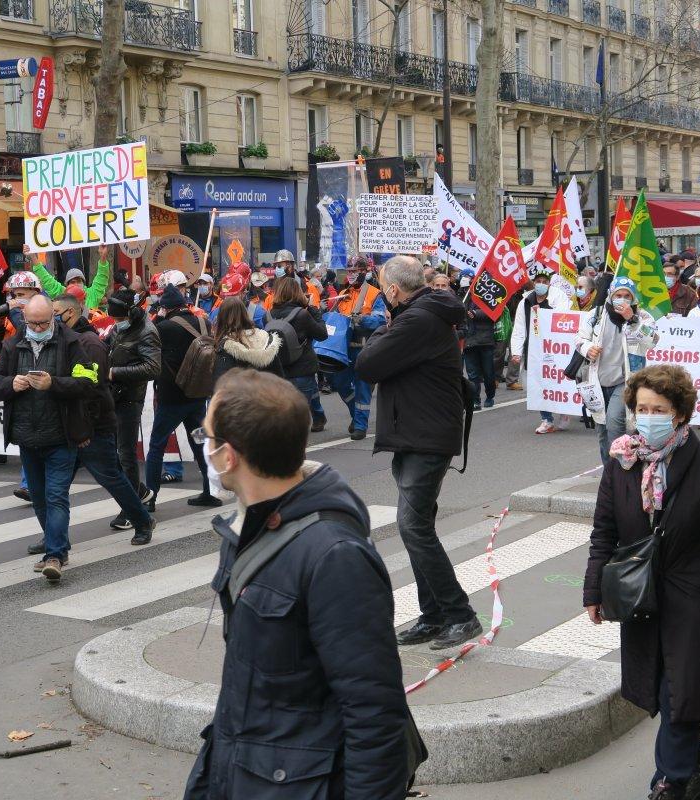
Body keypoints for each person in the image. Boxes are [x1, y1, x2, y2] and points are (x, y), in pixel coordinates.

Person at [183, 369, 420, 799]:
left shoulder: (334, 556)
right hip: (250, 768)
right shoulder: (250, 525)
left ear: (228, 456)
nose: (204, 447)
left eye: (207, 436)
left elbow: (374, 712)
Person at [583, 365, 700, 800]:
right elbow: (603, 531)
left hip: (696, 596)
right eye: (641, 408)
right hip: (639, 596)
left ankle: (671, 781)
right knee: (663, 691)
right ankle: (694, 765)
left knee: (682, 691)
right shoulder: (622, 462)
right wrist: (593, 592)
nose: (648, 416)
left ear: (679, 413)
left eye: (658, 409)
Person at [356, 256, 481, 650]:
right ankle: (433, 617)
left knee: (414, 528)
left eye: (381, 288)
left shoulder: (416, 319)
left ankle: (460, 615)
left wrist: (381, 329)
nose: (381, 296)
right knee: (417, 528)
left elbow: (366, 364)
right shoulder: (422, 313)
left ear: (393, 290)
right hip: (416, 432)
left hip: (426, 435)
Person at [0, 296, 106, 579]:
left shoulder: (72, 343)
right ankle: (57, 545)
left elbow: (88, 383)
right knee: (39, 499)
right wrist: (10, 384)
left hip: (61, 437)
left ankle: (54, 555)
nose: (37, 328)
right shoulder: (14, 345)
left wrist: (55, 384)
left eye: (42, 322)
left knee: (56, 496)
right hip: (28, 438)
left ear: (54, 318)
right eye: (32, 323)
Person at [50, 290, 156, 547]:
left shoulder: (89, 344)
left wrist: (87, 429)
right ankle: (52, 538)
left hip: (94, 427)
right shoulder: (61, 340)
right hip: (69, 427)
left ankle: (141, 521)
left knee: (113, 477)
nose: (51, 322)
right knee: (56, 487)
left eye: (55, 315)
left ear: (71, 313)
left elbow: (96, 390)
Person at [144, 283, 223, 510]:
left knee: (157, 445)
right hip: (198, 395)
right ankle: (209, 491)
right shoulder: (203, 322)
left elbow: (148, 334)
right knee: (199, 443)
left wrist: (158, 317)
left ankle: (151, 500)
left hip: (172, 397)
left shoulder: (165, 326)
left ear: (166, 308)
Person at [576, 277, 660, 464]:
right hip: (596, 381)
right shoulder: (596, 315)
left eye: (626, 296)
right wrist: (587, 348)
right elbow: (580, 338)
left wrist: (632, 319)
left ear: (633, 298)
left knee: (614, 424)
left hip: (626, 380)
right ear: (610, 296)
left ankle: (621, 471)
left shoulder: (643, 317)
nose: (622, 299)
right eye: (618, 295)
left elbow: (652, 341)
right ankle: (610, 474)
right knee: (601, 430)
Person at [104, 288, 161, 531]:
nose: (117, 323)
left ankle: (131, 507)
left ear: (132, 311)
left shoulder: (148, 331)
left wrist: (114, 372)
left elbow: (153, 368)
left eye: (120, 318)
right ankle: (141, 492)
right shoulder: (117, 329)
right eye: (114, 320)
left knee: (125, 454)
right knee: (114, 454)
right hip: (113, 396)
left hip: (131, 399)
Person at [328, 257, 386, 440]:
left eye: (355, 271)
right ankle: (356, 414)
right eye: (349, 271)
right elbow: (335, 317)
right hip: (343, 348)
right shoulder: (343, 292)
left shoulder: (375, 294)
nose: (351, 275)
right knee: (341, 384)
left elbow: (380, 320)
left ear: (364, 271)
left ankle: (360, 425)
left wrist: (361, 319)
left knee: (363, 387)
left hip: (364, 348)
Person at [510, 267, 572, 434]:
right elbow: (519, 328)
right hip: (534, 350)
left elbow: (564, 318)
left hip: (555, 348)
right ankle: (546, 419)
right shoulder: (525, 302)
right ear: (533, 282)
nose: (541, 284)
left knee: (556, 382)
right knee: (538, 385)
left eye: (545, 282)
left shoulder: (558, 297)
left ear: (549, 284)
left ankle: (563, 411)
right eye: (538, 281)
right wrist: (516, 351)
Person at [267, 276, 328, 431]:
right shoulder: (303, 314)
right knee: (298, 415)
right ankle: (294, 447)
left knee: (286, 409)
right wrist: (315, 311)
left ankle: (319, 418)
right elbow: (322, 334)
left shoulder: (267, 316)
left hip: (279, 370)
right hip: (303, 369)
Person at [212, 298, 282, 384]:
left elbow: (222, 384)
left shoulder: (225, 346)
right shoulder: (265, 338)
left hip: (243, 395)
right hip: (267, 393)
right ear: (245, 313)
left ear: (222, 317)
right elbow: (279, 375)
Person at [33, 246, 111, 310]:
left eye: (79, 281)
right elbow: (46, 279)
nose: (76, 284)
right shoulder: (62, 294)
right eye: (72, 282)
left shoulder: (92, 294)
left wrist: (103, 257)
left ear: (83, 283)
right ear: (67, 285)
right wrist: (32, 257)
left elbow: (102, 277)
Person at [462, 288, 497, 411]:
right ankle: (475, 400)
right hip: (469, 341)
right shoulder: (464, 296)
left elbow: (494, 314)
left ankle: (490, 396)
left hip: (485, 340)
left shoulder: (489, 295)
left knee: (488, 372)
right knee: (472, 374)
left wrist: (476, 313)